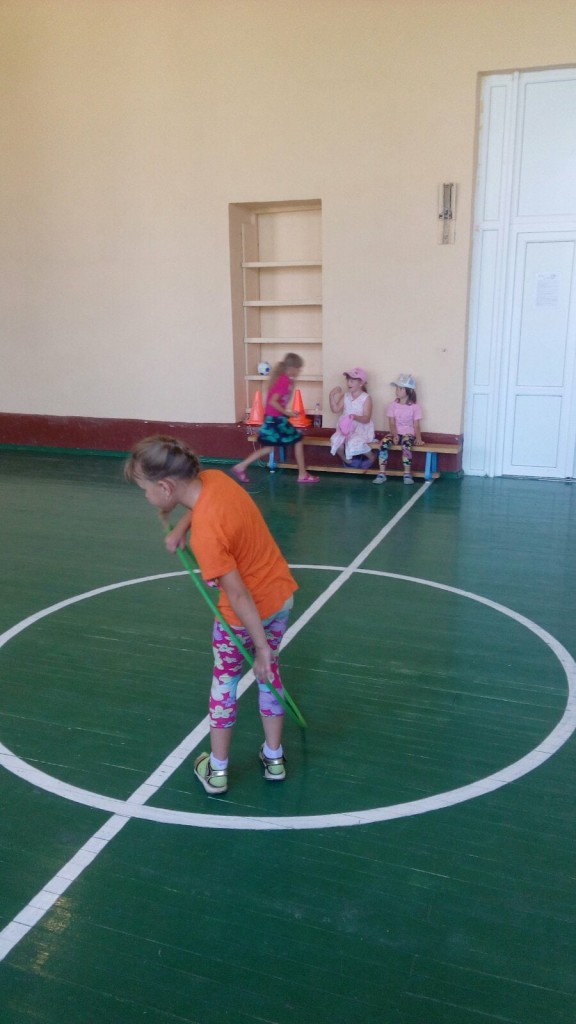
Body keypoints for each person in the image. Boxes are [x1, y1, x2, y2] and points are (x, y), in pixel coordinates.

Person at [124, 435, 298, 796]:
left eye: (145, 490)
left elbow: (238, 594)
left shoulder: (207, 537)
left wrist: (259, 647)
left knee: (225, 683)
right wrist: (180, 527)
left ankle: (217, 770)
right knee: (269, 674)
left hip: (241, 618)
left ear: (165, 487)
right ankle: (274, 758)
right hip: (280, 599)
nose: (146, 496)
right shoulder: (216, 479)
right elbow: (202, 505)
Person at [232, 353, 319, 484]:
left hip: (272, 419)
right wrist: (287, 413)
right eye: (298, 369)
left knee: (269, 448)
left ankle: (240, 466)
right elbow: (273, 401)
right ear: (292, 368)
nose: (299, 372)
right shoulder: (284, 381)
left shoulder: (285, 379)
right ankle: (302, 474)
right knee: (298, 440)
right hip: (276, 420)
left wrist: (287, 412)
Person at [374, 373, 423, 485]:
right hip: (395, 433)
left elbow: (416, 425)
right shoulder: (392, 405)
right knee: (383, 444)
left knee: (406, 445)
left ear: (409, 391)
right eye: (397, 388)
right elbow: (391, 423)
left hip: (408, 434)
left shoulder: (415, 407)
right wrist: (394, 435)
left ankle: (407, 473)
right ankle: (382, 473)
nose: (397, 391)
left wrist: (418, 438)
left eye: (401, 388)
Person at [329, 367, 376, 468]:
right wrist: (331, 395)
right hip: (346, 429)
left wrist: (354, 417)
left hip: (360, 429)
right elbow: (335, 409)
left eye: (352, 381)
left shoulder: (366, 398)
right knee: (336, 440)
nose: (348, 383)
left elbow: (366, 418)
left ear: (361, 383)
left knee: (354, 442)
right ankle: (346, 459)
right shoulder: (346, 396)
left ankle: (371, 457)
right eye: (348, 380)